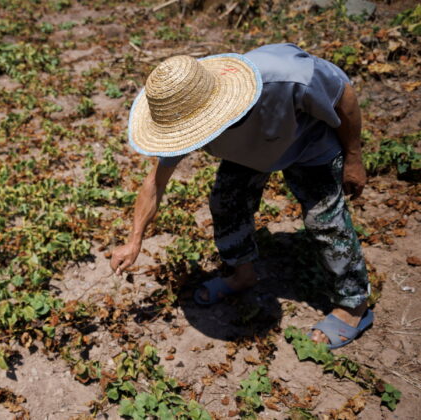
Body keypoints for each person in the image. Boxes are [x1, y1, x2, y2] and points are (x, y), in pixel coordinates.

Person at [109, 43, 372, 349]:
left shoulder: (289, 78)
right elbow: (155, 182)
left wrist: (354, 157)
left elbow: (344, 96)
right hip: (248, 152)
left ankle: (354, 305)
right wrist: (134, 239)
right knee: (226, 202)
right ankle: (242, 274)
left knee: (324, 221)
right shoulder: (180, 110)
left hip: (307, 140)